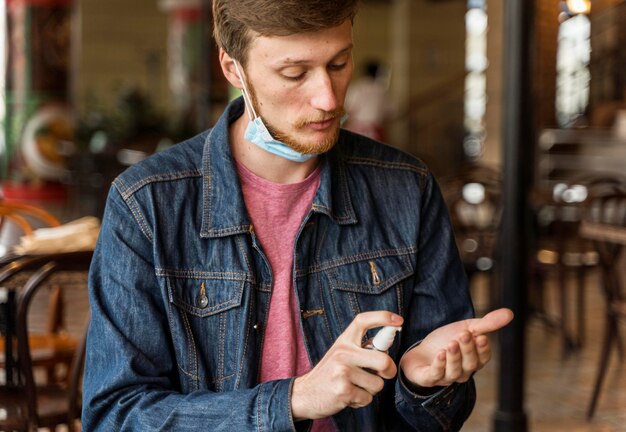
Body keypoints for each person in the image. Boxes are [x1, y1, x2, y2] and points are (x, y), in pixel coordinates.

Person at [82, 0, 513, 430]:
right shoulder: (147, 202)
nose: (328, 98)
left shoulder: (407, 188)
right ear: (234, 70)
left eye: (340, 63)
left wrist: (422, 384)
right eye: (295, 73)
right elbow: (115, 416)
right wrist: (293, 400)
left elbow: (438, 415)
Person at [344, 60, 393, 141]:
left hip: (357, 129)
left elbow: (350, 109)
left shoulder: (357, 88)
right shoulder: (382, 90)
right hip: (376, 130)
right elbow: (389, 111)